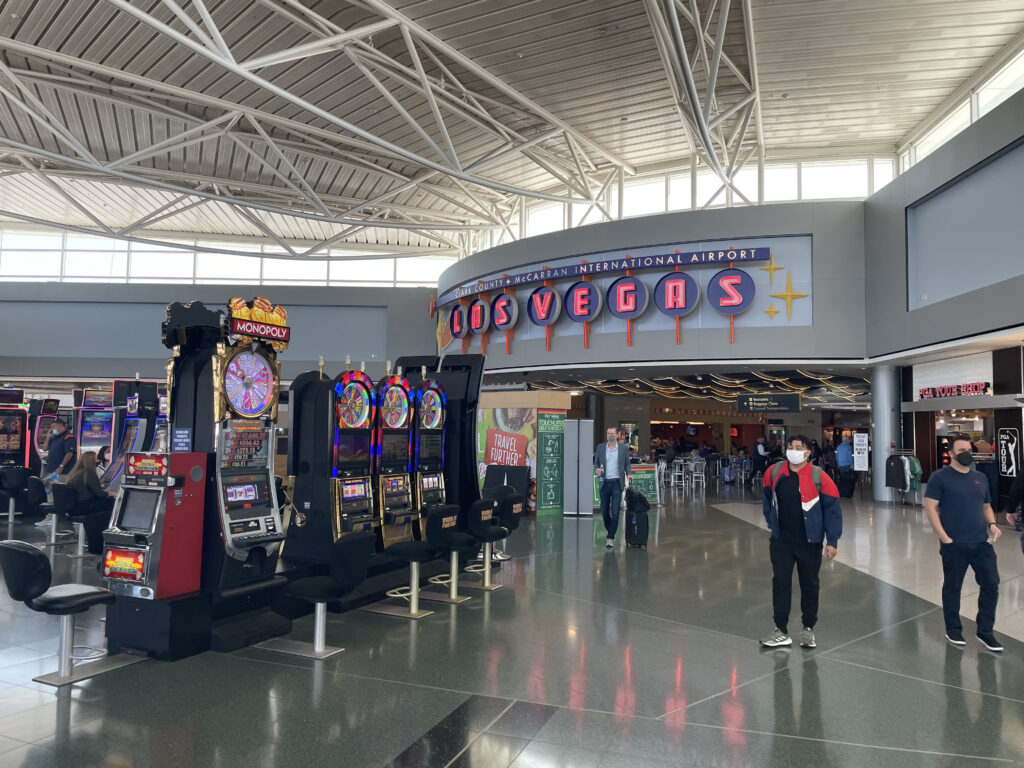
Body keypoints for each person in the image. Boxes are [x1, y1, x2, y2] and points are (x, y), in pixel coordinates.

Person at [760, 435, 843, 649]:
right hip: (781, 542)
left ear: (808, 453)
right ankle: (781, 630)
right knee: (780, 583)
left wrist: (832, 540)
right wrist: (771, 521)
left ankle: (808, 629)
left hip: (810, 543)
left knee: (809, 585)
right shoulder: (775, 472)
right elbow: (767, 498)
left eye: (798, 447)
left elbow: (833, 510)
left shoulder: (820, 477)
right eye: (790, 446)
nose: (793, 450)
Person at [923, 434, 1003, 652]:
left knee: (991, 584)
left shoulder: (980, 478)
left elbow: (986, 506)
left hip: (981, 543)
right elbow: (930, 508)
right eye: (961, 450)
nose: (967, 453)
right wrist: (944, 538)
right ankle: (953, 629)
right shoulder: (940, 478)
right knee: (953, 586)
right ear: (951, 454)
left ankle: (985, 631)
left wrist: (993, 524)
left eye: (969, 449)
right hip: (954, 544)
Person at [65, 451, 115, 555]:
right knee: (112, 503)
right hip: (85, 507)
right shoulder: (89, 473)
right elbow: (99, 494)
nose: (97, 461)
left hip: (75, 507)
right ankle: (104, 542)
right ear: (91, 461)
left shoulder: (75, 473)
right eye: (96, 459)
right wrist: (111, 493)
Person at [594, 425, 631, 550]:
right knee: (604, 511)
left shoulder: (623, 449)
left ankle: (610, 537)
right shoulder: (600, 447)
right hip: (604, 483)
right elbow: (596, 462)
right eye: (608, 433)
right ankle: (611, 530)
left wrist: (629, 473)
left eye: (613, 433)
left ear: (617, 435)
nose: (610, 435)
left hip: (616, 483)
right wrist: (597, 470)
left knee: (615, 512)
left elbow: (627, 463)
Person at [45, 418, 76, 482]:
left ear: (60, 426)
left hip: (62, 472)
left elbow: (69, 453)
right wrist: (48, 438)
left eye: (53, 427)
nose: (51, 429)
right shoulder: (55, 437)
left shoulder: (68, 437)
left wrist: (61, 466)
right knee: (49, 490)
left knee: (58, 489)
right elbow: (44, 449)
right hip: (51, 469)